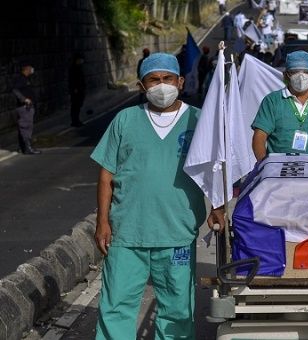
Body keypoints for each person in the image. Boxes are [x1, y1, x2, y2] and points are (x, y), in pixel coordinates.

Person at [91, 52, 225, 339]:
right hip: (127, 232)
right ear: (142, 86)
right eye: (153, 80)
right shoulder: (125, 120)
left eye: (167, 79)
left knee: (177, 308)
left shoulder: (198, 120)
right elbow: (106, 175)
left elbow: (215, 168)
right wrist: (102, 220)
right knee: (116, 304)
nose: (161, 85)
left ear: (180, 81)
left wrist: (219, 206)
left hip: (176, 231)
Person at [251, 51, 308, 169]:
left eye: (306, 72)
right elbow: (259, 137)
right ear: (285, 76)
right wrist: (265, 165)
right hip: (278, 171)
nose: (301, 77)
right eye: (294, 72)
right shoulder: (272, 101)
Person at [12, 62, 40, 154]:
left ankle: (23, 147)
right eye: (31, 68)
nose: (32, 70)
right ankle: (28, 148)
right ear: (26, 69)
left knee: (24, 127)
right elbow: (15, 90)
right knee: (26, 127)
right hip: (25, 107)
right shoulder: (21, 79)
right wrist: (24, 99)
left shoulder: (25, 78)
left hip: (28, 107)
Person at [68, 52, 86, 127]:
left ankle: (76, 120)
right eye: (80, 59)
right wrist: (74, 89)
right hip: (76, 91)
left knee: (78, 106)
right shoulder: (73, 69)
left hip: (80, 90)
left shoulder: (79, 68)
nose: (82, 61)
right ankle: (74, 121)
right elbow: (72, 80)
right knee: (75, 106)